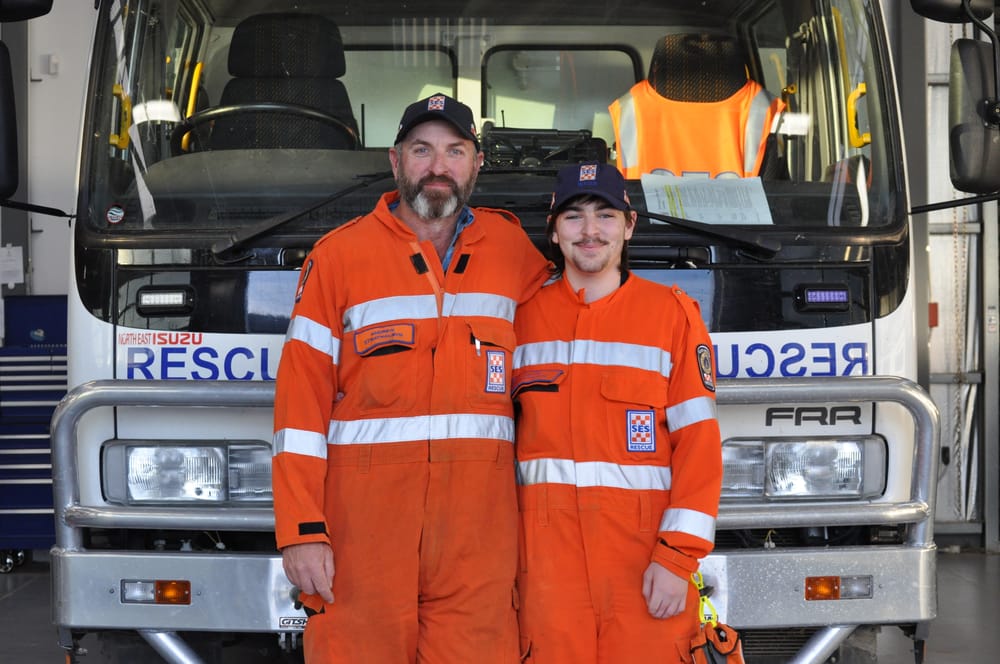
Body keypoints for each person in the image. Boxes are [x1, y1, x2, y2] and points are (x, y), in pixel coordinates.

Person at [271, 92, 550, 663]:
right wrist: (301, 530)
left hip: (479, 543)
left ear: (476, 164)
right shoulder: (338, 258)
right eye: (422, 150)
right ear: (396, 161)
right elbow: (299, 408)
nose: (438, 167)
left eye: (455, 151)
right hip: (363, 540)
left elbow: (567, 352)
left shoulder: (513, 251)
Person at [512, 161, 723, 662]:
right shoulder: (519, 319)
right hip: (544, 570)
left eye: (605, 215)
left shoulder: (672, 316)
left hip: (644, 566)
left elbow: (699, 447)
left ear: (629, 227)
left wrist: (676, 558)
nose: (590, 231)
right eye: (574, 217)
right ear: (554, 232)